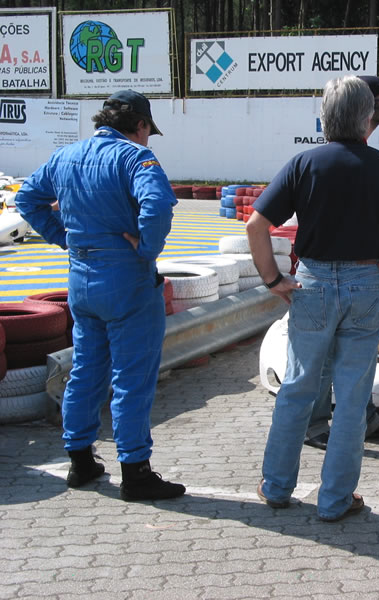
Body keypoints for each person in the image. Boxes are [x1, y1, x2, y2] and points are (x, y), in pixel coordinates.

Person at [246, 76, 379, 521]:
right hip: (367, 284)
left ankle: (277, 486)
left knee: (298, 388)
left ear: (325, 115)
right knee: (353, 397)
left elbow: (255, 225)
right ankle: (335, 498)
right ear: (366, 117)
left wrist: (272, 280)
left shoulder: (305, 163)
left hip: (313, 284)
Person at [14, 90, 185, 501]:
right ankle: (136, 472)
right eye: (148, 132)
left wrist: (63, 238)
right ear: (140, 125)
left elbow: (27, 199)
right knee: (132, 378)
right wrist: (145, 247)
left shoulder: (65, 156)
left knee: (86, 370)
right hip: (127, 279)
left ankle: (81, 461)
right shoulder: (134, 157)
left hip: (81, 280)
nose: (148, 139)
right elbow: (159, 204)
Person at [302, 75, 379, 451]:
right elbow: (259, 223)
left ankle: (364, 415)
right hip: (329, 272)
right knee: (327, 355)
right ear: (365, 105)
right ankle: (315, 424)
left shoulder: (375, 155)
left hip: (358, 274)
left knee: (358, 357)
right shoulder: (329, 155)